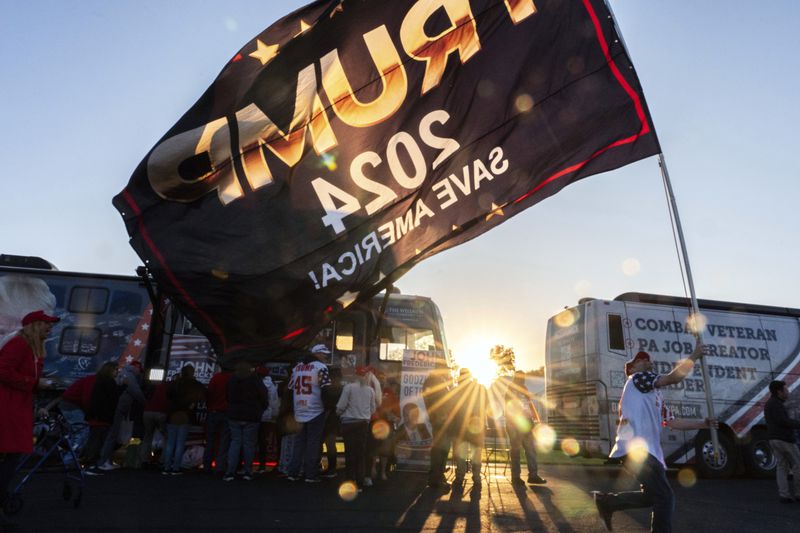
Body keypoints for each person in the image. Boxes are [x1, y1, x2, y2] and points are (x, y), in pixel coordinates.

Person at [593, 345, 716, 533]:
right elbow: (675, 377)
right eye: (639, 360)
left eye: (645, 358)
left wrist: (704, 423)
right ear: (632, 369)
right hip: (637, 449)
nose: (644, 359)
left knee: (653, 496)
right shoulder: (637, 379)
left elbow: (673, 422)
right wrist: (694, 356)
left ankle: (607, 502)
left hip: (648, 452)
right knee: (665, 497)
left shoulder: (655, 394)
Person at [0, 310, 58, 530]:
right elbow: (2, 370)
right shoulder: (19, 345)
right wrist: (32, 382)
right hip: (7, 407)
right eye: (46, 324)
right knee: (9, 458)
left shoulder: (31, 348)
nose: (50, 328)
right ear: (35, 325)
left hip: (14, 406)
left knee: (11, 458)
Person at [287, 344, 331, 483]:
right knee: (313, 442)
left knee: (299, 442)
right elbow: (326, 389)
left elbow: (290, 388)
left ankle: (293, 472)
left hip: (299, 408)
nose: (325, 356)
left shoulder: (297, 368)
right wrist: (328, 407)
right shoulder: (320, 368)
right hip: (315, 409)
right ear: (316, 354)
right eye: (323, 353)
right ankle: (310, 474)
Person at [97, 360, 146, 470]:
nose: (140, 373)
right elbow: (136, 391)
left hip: (116, 408)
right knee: (112, 435)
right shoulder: (130, 376)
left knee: (112, 435)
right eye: (140, 371)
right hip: (119, 409)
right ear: (136, 368)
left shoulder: (123, 373)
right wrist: (146, 403)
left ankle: (107, 461)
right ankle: (103, 462)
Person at [224, 361, 268, 481]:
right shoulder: (255, 380)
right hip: (252, 415)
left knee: (235, 442)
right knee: (249, 444)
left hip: (234, 415)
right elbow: (264, 396)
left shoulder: (232, 379)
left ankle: (230, 472)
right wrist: (260, 409)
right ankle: (248, 472)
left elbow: (227, 396)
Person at [336, 366, 378, 490]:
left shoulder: (348, 388)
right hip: (363, 424)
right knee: (360, 454)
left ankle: (349, 481)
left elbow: (341, 406)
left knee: (349, 453)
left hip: (348, 423)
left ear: (355, 376)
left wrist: (339, 413)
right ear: (365, 377)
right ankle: (359, 483)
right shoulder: (370, 390)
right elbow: (373, 409)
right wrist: (365, 415)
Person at [504, 370, 546, 485]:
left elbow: (529, 404)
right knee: (516, 451)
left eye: (523, 378)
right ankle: (516, 477)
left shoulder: (524, 388)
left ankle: (533, 475)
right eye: (521, 378)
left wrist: (534, 419)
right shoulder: (510, 390)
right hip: (515, 424)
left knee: (531, 449)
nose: (523, 379)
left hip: (526, 423)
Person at [162, 365, 205, 475]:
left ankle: (166, 466)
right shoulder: (195, 385)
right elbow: (202, 395)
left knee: (170, 442)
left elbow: (167, 395)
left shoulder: (175, 383)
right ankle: (176, 467)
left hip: (173, 414)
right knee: (180, 443)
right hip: (185, 415)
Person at [764, 380, 800, 503]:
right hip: (784, 439)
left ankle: (784, 494)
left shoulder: (769, 403)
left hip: (773, 439)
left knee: (781, 467)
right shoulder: (776, 404)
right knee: (797, 464)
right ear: (779, 391)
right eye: (786, 389)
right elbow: (783, 421)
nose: (788, 392)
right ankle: (798, 492)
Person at [451, 368, 488, 487]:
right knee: (476, 453)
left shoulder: (456, 390)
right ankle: (476, 477)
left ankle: (460, 477)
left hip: (460, 427)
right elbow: (486, 404)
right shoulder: (480, 388)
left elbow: (452, 409)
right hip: (476, 426)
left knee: (461, 454)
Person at [84, 362, 123, 470]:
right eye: (116, 369)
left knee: (94, 440)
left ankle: (90, 463)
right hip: (102, 417)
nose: (117, 372)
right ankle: (91, 464)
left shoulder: (99, 381)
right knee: (98, 442)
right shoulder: (109, 382)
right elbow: (113, 398)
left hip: (96, 416)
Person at [421, 360, 454, 489]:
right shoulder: (437, 382)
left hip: (438, 419)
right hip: (441, 420)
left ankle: (436, 477)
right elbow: (442, 402)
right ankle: (437, 479)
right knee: (441, 450)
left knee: (439, 449)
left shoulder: (432, 381)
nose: (448, 371)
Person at [57, 371, 96, 464]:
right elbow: (86, 398)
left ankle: (67, 456)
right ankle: (69, 459)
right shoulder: (92, 381)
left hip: (68, 405)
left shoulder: (90, 379)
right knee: (82, 430)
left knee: (74, 431)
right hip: (71, 406)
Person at [203, 367, 232, 474]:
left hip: (213, 412)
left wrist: (209, 407)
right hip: (226, 413)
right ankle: (220, 466)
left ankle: (207, 465)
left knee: (210, 440)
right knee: (224, 441)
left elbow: (209, 393)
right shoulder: (231, 379)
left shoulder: (216, 378)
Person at [138, 379, 169, 468]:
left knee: (147, 436)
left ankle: (143, 460)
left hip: (147, 412)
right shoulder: (168, 387)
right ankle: (162, 460)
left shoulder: (152, 386)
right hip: (161, 412)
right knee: (167, 437)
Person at [256, 366, 280, 474]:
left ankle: (245, 465)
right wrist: (274, 414)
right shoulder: (271, 385)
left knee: (249, 441)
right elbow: (274, 401)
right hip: (266, 416)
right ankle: (262, 465)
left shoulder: (253, 382)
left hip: (253, 415)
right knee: (263, 442)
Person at [320, 367, 344, 478]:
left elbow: (324, 404)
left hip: (327, 418)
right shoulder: (343, 389)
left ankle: (329, 468)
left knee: (326, 444)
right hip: (338, 419)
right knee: (331, 444)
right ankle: (332, 468)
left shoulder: (325, 389)